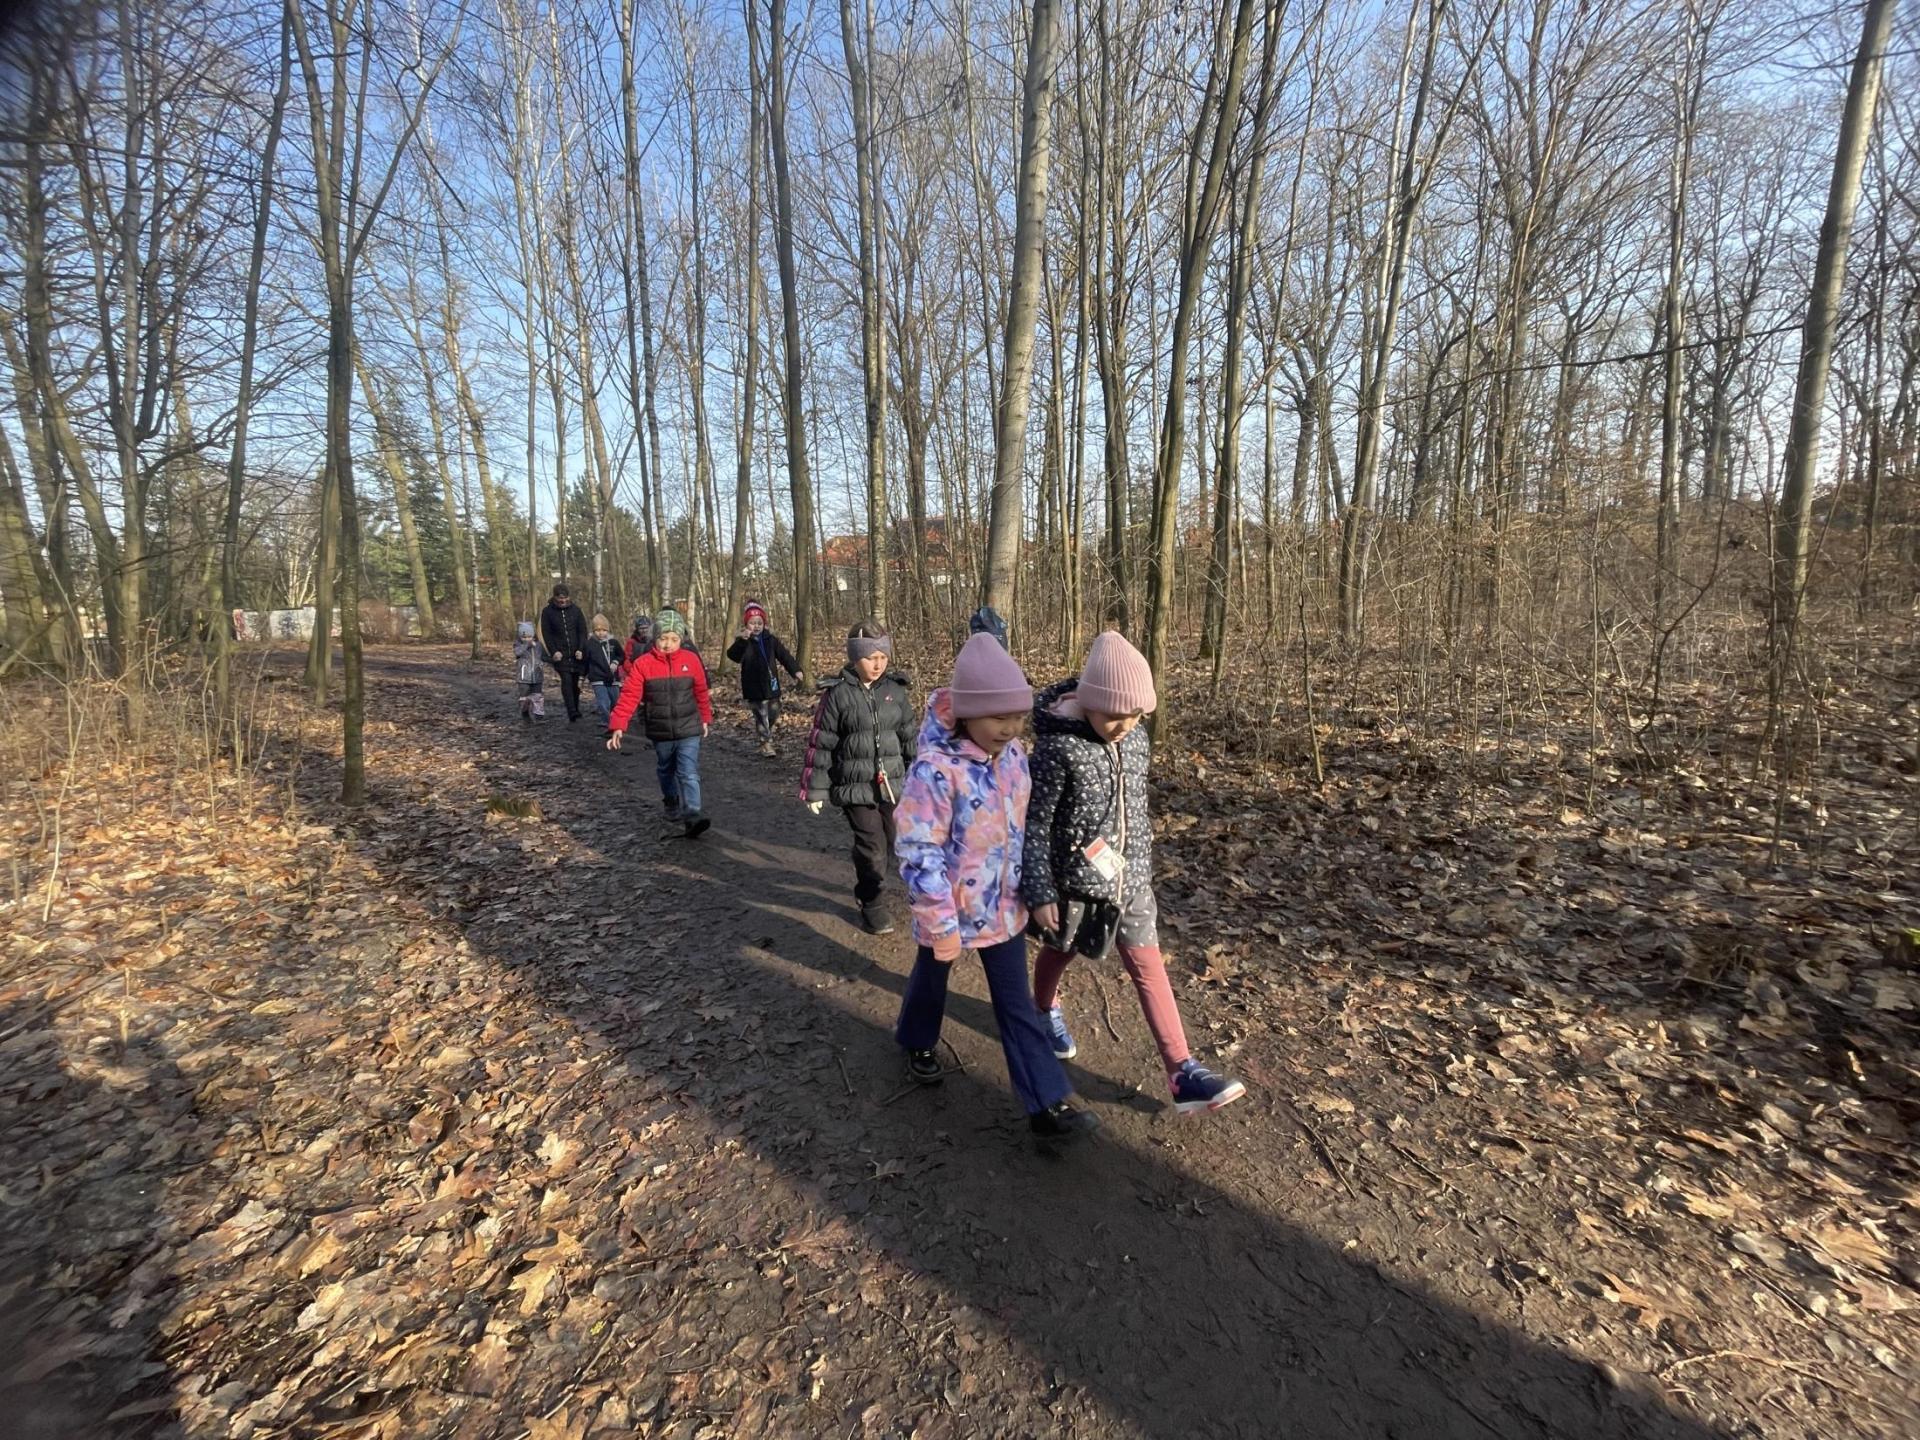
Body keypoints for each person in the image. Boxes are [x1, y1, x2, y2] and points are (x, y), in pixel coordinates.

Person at [1023, 630, 1246, 1115]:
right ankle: (1043, 1009)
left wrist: (1140, 860)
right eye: (1113, 715)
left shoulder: (1137, 738)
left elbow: (1135, 808)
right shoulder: (1058, 750)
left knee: (1148, 966)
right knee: (1060, 951)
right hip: (1076, 886)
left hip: (1131, 880)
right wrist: (1039, 891)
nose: (1124, 725)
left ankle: (1181, 1070)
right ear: (1088, 702)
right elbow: (1034, 824)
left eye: (1136, 715)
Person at [893, 634, 1099, 1143]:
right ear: (967, 714)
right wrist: (939, 922)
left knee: (1016, 1004)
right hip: (949, 908)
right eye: (998, 718)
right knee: (931, 979)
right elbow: (919, 850)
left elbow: (1024, 829)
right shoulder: (935, 771)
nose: (1010, 728)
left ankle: (1046, 1104)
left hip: (1003, 906)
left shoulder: (1013, 756)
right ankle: (917, 1038)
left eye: (1018, 717)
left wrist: (1037, 890)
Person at [799, 620, 917, 935]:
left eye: (883, 657)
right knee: (872, 847)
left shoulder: (895, 690)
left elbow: (909, 737)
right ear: (855, 657)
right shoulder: (837, 694)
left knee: (896, 840)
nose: (878, 664)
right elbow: (822, 742)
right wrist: (815, 789)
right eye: (870, 657)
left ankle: (882, 880)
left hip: (892, 784)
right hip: (854, 786)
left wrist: (922, 778)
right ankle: (872, 902)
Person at [606, 609, 713, 838]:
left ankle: (693, 814)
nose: (668, 644)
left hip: (689, 727)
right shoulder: (643, 664)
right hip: (660, 729)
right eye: (663, 638)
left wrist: (705, 718)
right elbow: (629, 696)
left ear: (681, 639)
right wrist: (618, 725)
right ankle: (671, 799)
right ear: (655, 637)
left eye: (674, 639)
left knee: (688, 772)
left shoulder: (691, 660)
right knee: (666, 769)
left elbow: (701, 692)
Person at [727, 601, 802, 756]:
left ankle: (766, 734)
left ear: (764, 624)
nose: (756, 626)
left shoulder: (770, 639)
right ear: (746, 624)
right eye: (752, 623)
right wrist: (742, 641)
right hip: (753, 687)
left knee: (774, 711)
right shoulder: (743, 641)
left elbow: (784, 656)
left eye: (759, 623)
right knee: (761, 714)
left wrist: (795, 670)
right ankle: (765, 743)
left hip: (771, 685)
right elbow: (733, 656)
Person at [540, 583, 589, 722]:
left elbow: (582, 631)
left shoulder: (576, 610)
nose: (563, 600)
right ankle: (571, 711)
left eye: (565, 598)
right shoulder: (547, 612)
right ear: (555, 597)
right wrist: (554, 651)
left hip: (576, 653)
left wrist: (581, 648)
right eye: (560, 598)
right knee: (566, 681)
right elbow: (547, 634)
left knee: (575, 683)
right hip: (560, 654)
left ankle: (576, 708)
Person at [583, 614, 624, 724]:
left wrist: (616, 662)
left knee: (615, 701)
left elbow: (621, 655)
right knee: (603, 702)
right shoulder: (589, 644)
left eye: (604, 630)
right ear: (593, 631)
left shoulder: (614, 642)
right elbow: (585, 661)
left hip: (613, 678)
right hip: (597, 678)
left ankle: (615, 720)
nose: (601, 633)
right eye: (597, 630)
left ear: (608, 630)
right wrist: (582, 676)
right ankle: (607, 721)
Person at [513, 621, 545, 722]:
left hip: (537, 675)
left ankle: (539, 716)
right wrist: (527, 645)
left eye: (529, 637)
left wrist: (553, 660)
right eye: (524, 637)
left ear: (533, 635)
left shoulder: (539, 645)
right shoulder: (518, 645)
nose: (527, 639)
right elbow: (517, 653)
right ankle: (525, 713)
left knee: (537, 697)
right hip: (523, 677)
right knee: (524, 698)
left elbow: (543, 656)